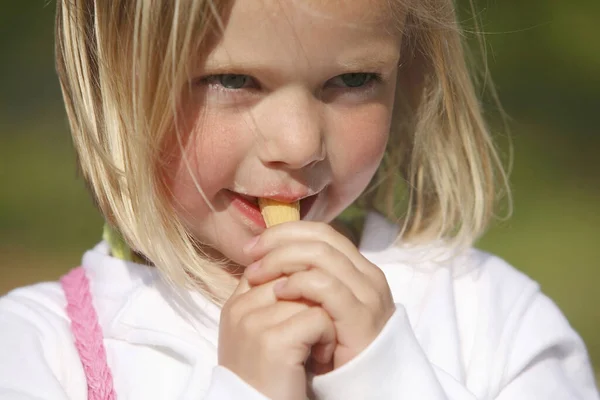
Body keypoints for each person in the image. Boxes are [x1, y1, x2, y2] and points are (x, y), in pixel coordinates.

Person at [0, 0, 597, 398]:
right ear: (110, 82)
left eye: (354, 80)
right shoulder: (38, 351)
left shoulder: (491, 316)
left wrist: (385, 377)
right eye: (232, 80)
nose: (299, 143)